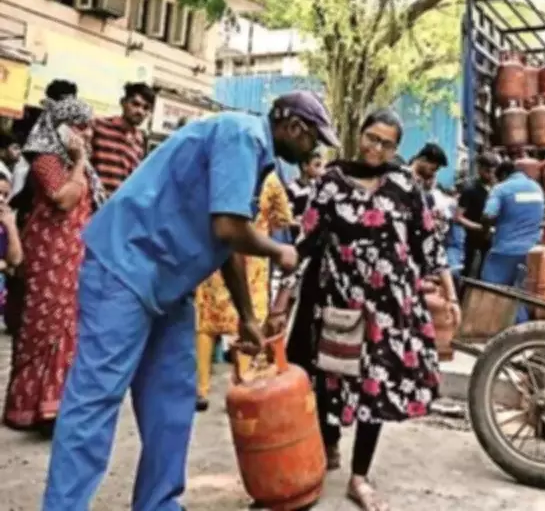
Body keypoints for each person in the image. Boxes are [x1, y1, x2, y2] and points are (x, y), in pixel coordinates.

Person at [41, 91, 338, 511]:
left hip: (169, 281)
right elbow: (228, 229)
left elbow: (228, 240)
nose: (314, 150)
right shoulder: (242, 136)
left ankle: (159, 503)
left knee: (172, 400)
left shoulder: (252, 153)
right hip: (126, 268)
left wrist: (248, 317)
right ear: (294, 128)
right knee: (95, 400)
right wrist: (278, 250)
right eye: (314, 140)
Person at [273, 108, 460, 511]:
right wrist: (282, 299)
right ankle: (329, 440)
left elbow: (428, 243)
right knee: (329, 381)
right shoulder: (331, 182)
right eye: (372, 138)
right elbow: (304, 242)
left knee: (375, 388)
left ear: (397, 148)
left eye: (387, 143)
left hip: (390, 308)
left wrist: (450, 294)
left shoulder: (405, 185)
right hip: (338, 304)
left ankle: (359, 476)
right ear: (359, 135)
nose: (377, 148)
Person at [3, 97, 100, 434]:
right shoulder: (47, 158)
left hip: (72, 256)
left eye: (88, 126)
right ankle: (28, 407)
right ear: (59, 126)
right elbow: (63, 198)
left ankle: (55, 407)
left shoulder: (81, 165)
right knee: (43, 326)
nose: (85, 133)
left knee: (67, 326)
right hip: (47, 254)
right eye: (79, 125)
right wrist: (79, 161)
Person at [194, 171, 293, 411]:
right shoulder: (270, 181)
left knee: (207, 323)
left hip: (217, 258)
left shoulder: (225, 175)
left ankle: (201, 389)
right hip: (254, 263)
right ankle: (245, 386)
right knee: (250, 323)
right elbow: (283, 218)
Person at [480, 160, 545, 323]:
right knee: (520, 295)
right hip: (533, 251)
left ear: (502, 175)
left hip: (505, 251)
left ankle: (491, 330)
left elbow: (488, 215)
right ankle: (521, 332)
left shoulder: (501, 189)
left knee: (491, 292)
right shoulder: (537, 188)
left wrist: (486, 231)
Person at [90, 82, 155, 196]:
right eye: (135, 104)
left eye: (146, 108)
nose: (140, 111)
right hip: (94, 205)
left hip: (119, 207)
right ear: (123, 102)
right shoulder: (99, 126)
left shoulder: (140, 140)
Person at [456, 153, 498, 278]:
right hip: (473, 239)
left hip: (492, 239)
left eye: (492, 171)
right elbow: (458, 217)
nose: (490, 175)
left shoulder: (498, 189)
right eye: (487, 171)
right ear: (479, 169)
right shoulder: (470, 189)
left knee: (486, 274)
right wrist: (479, 228)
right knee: (469, 272)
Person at [286, 149, 325, 240]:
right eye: (317, 165)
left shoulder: (316, 188)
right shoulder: (292, 189)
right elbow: (287, 216)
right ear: (305, 166)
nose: (320, 169)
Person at [0, 173, 22, 331]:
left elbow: (15, 259)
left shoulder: (5, 222)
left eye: (5, 195)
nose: (1, 199)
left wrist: (11, 226)